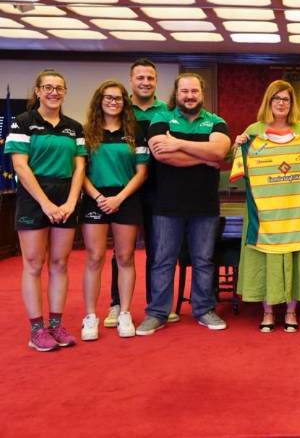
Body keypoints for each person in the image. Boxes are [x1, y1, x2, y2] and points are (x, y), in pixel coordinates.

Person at [135, 73, 231, 335]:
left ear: (202, 93)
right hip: (167, 205)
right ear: (176, 94)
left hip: (205, 205)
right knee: (163, 261)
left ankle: (203, 309)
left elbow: (219, 152)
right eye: (184, 91)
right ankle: (157, 313)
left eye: (194, 91)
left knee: (203, 260)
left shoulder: (216, 122)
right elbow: (162, 155)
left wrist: (176, 143)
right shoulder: (161, 118)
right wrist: (204, 157)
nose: (189, 96)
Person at [233, 80, 300, 332]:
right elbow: (238, 164)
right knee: (265, 261)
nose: (281, 103)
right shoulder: (254, 130)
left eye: (286, 99)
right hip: (264, 213)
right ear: (269, 101)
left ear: (292, 103)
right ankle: (267, 312)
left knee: (295, 258)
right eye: (277, 98)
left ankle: (292, 311)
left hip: (295, 212)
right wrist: (238, 145)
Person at [5, 69, 86, 351]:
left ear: (65, 92)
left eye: (59, 88)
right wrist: (45, 203)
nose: (54, 92)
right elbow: (20, 166)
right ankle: (36, 330)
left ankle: (55, 325)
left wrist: (71, 202)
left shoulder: (74, 127)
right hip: (33, 197)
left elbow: (79, 168)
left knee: (60, 263)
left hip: (65, 196)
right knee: (33, 263)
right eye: (48, 87)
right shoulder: (22, 122)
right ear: (38, 91)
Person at [79, 80, 149, 340]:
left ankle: (125, 313)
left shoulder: (135, 132)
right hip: (95, 198)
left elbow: (142, 172)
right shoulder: (86, 132)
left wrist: (119, 198)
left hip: (126, 197)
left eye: (118, 98)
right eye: (108, 97)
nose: (113, 102)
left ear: (124, 102)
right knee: (94, 257)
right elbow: (80, 171)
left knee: (125, 257)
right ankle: (90, 316)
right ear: (99, 101)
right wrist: (99, 197)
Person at [104, 58, 170, 329]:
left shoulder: (166, 111)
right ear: (131, 81)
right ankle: (116, 304)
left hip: (160, 189)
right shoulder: (120, 109)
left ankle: (157, 306)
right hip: (125, 188)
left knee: (158, 251)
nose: (145, 82)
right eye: (140, 78)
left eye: (150, 78)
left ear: (156, 82)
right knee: (122, 252)